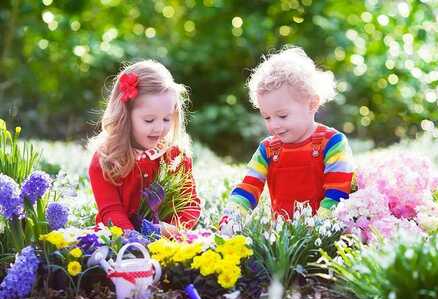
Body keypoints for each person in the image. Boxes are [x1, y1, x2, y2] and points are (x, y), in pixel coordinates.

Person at [220, 46, 355, 233]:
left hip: (324, 234)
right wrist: (232, 215)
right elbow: (249, 185)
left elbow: (337, 191)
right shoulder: (268, 149)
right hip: (282, 237)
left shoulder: (332, 143)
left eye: (282, 116)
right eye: (267, 117)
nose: (274, 125)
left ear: (312, 104)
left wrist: (318, 227)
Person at [88, 60, 200, 237]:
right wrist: (138, 240)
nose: (159, 128)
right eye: (149, 120)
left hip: (171, 244)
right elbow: (111, 213)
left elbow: (189, 204)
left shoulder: (175, 155)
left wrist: (173, 232)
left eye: (166, 119)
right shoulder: (107, 160)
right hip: (119, 243)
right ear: (125, 116)